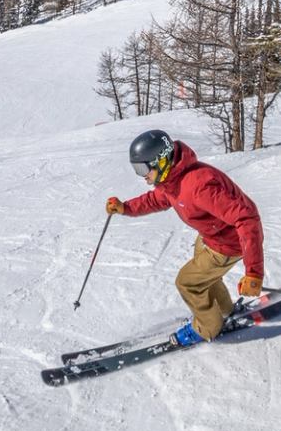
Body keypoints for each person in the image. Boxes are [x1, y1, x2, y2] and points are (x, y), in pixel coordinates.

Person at [106, 128, 265, 345]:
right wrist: (125, 208)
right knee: (203, 278)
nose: (142, 175)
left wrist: (253, 273)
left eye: (143, 168)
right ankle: (223, 311)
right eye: (136, 169)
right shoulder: (172, 179)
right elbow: (155, 200)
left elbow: (247, 218)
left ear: (160, 161)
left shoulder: (199, 186)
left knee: (188, 283)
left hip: (228, 244)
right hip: (210, 237)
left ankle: (208, 327)